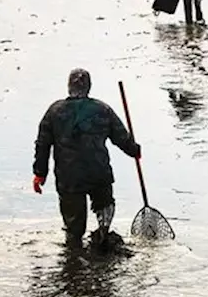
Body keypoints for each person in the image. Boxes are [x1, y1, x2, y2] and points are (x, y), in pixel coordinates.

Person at [33, 68, 142, 250]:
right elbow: (121, 137)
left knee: (74, 228)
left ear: (69, 87)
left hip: (69, 178)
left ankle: (74, 262)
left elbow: (42, 144)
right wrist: (134, 150)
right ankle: (102, 241)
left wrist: (39, 174)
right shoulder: (103, 109)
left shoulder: (54, 112)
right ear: (89, 88)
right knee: (105, 209)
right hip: (98, 173)